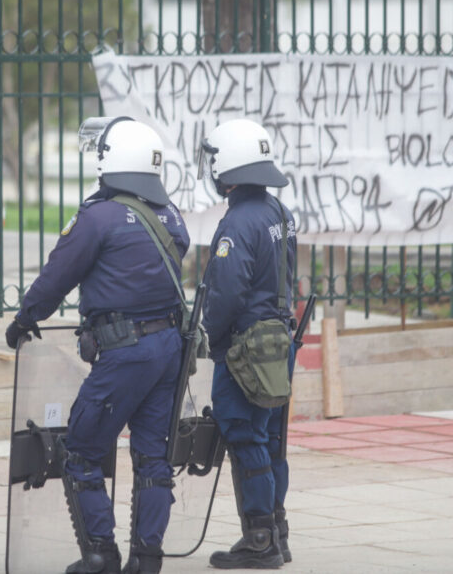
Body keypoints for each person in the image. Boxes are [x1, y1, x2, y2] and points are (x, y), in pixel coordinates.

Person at [5, 116, 189, 574]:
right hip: (168, 348)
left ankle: (100, 554)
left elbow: (56, 278)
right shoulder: (169, 214)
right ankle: (148, 559)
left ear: (113, 159)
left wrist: (26, 318)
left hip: (124, 354)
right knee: (152, 456)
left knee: (82, 451)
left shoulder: (97, 216)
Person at [197, 118, 297, 570]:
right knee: (271, 438)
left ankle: (259, 540)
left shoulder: (238, 221)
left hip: (246, 348)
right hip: (278, 341)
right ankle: (277, 531)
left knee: (244, 434)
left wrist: (212, 338)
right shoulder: (277, 211)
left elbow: (227, 293)